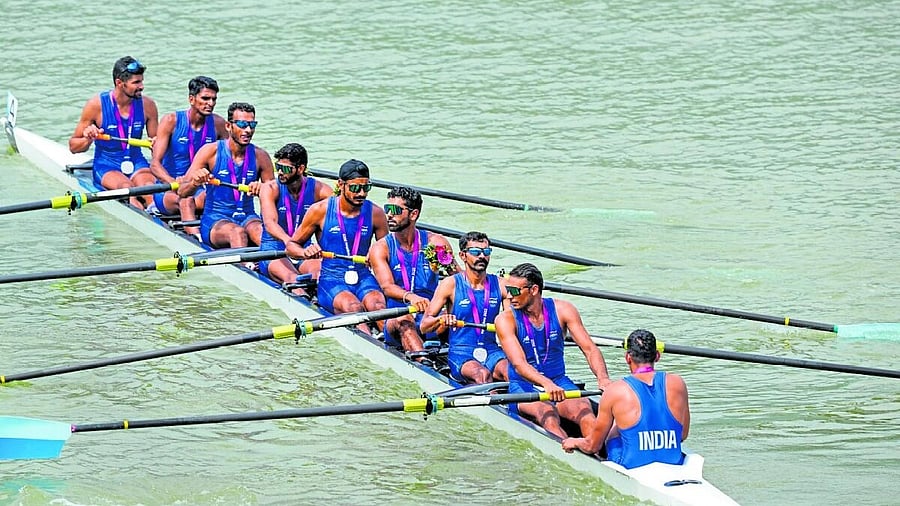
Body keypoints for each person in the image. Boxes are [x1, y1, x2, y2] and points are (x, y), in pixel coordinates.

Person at [495, 262, 611, 439]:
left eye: (515, 291)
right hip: (523, 386)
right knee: (548, 415)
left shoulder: (563, 309)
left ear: (534, 290)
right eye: (508, 290)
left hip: (559, 381)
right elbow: (519, 365)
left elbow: (589, 349)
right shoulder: (505, 319)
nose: (509, 296)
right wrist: (546, 384)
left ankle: (598, 457)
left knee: (585, 413)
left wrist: (603, 379)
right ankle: (572, 459)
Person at [562, 329, 689, 469]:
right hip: (673, 462)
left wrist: (574, 442)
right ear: (657, 356)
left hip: (631, 466)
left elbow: (593, 446)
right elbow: (682, 435)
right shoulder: (678, 383)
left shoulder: (615, 390)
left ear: (628, 357)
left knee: (616, 424)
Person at [286, 159, 388, 333]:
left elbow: (388, 255)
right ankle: (371, 344)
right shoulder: (320, 210)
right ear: (341, 184)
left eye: (366, 188)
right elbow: (291, 246)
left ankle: (394, 340)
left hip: (364, 277)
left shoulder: (376, 213)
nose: (361, 193)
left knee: (378, 307)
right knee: (353, 307)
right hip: (332, 279)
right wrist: (305, 251)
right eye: (355, 188)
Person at [369, 186, 460, 357]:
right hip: (399, 317)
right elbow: (387, 287)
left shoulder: (436, 243)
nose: (389, 215)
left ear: (413, 214)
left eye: (395, 210)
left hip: (432, 317)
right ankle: (423, 362)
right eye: (387, 209)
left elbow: (458, 279)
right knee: (405, 323)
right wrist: (411, 297)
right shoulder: (381, 248)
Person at [177, 102, 274, 249]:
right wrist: (195, 183)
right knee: (237, 232)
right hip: (215, 219)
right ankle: (247, 268)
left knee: (263, 234)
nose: (248, 130)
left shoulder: (261, 156)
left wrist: (264, 190)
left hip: (248, 216)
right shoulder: (210, 152)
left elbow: (276, 199)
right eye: (242, 124)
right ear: (228, 126)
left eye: (252, 124)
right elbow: (182, 192)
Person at [69, 56, 159, 209]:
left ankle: (156, 213)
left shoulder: (148, 105)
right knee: (126, 188)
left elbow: (157, 148)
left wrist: (158, 144)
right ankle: (138, 212)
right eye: (136, 82)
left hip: (137, 162)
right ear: (119, 83)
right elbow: (73, 146)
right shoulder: (96, 105)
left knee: (149, 188)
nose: (142, 86)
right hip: (106, 165)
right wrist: (88, 138)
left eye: (142, 81)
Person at [420, 231, 508, 383]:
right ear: (462, 256)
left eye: (486, 252)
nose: (482, 256)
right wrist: (441, 319)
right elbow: (424, 326)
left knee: (512, 372)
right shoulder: (450, 284)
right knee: (482, 375)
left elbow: (513, 321)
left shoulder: (501, 285)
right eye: (475, 252)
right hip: (461, 352)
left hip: (492, 350)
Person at [148, 76, 228, 237]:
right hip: (170, 190)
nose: (210, 103)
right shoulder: (171, 121)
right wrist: (173, 183)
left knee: (224, 197)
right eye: (205, 98)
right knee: (186, 199)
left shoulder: (219, 124)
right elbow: (155, 165)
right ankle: (196, 240)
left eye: (214, 99)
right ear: (191, 99)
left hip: (202, 187)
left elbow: (229, 160)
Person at [257, 142, 332, 291]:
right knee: (293, 279)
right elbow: (270, 223)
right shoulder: (270, 188)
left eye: (285, 169)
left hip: (303, 250)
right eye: (278, 167)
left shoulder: (320, 190)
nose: (280, 172)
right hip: (274, 249)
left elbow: (342, 213)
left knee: (322, 275)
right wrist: (290, 243)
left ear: (301, 169)